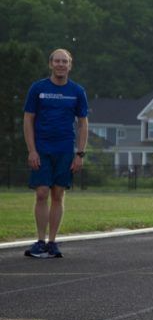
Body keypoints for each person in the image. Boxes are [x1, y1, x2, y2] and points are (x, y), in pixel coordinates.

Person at [22, 48, 89, 259]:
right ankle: (40, 241)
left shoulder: (77, 91)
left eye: (64, 61)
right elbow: (28, 119)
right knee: (41, 192)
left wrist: (80, 153)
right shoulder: (38, 88)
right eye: (57, 61)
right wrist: (31, 150)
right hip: (42, 149)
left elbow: (83, 123)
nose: (60, 65)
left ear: (70, 65)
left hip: (64, 150)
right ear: (51, 64)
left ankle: (52, 242)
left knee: (58, 195)